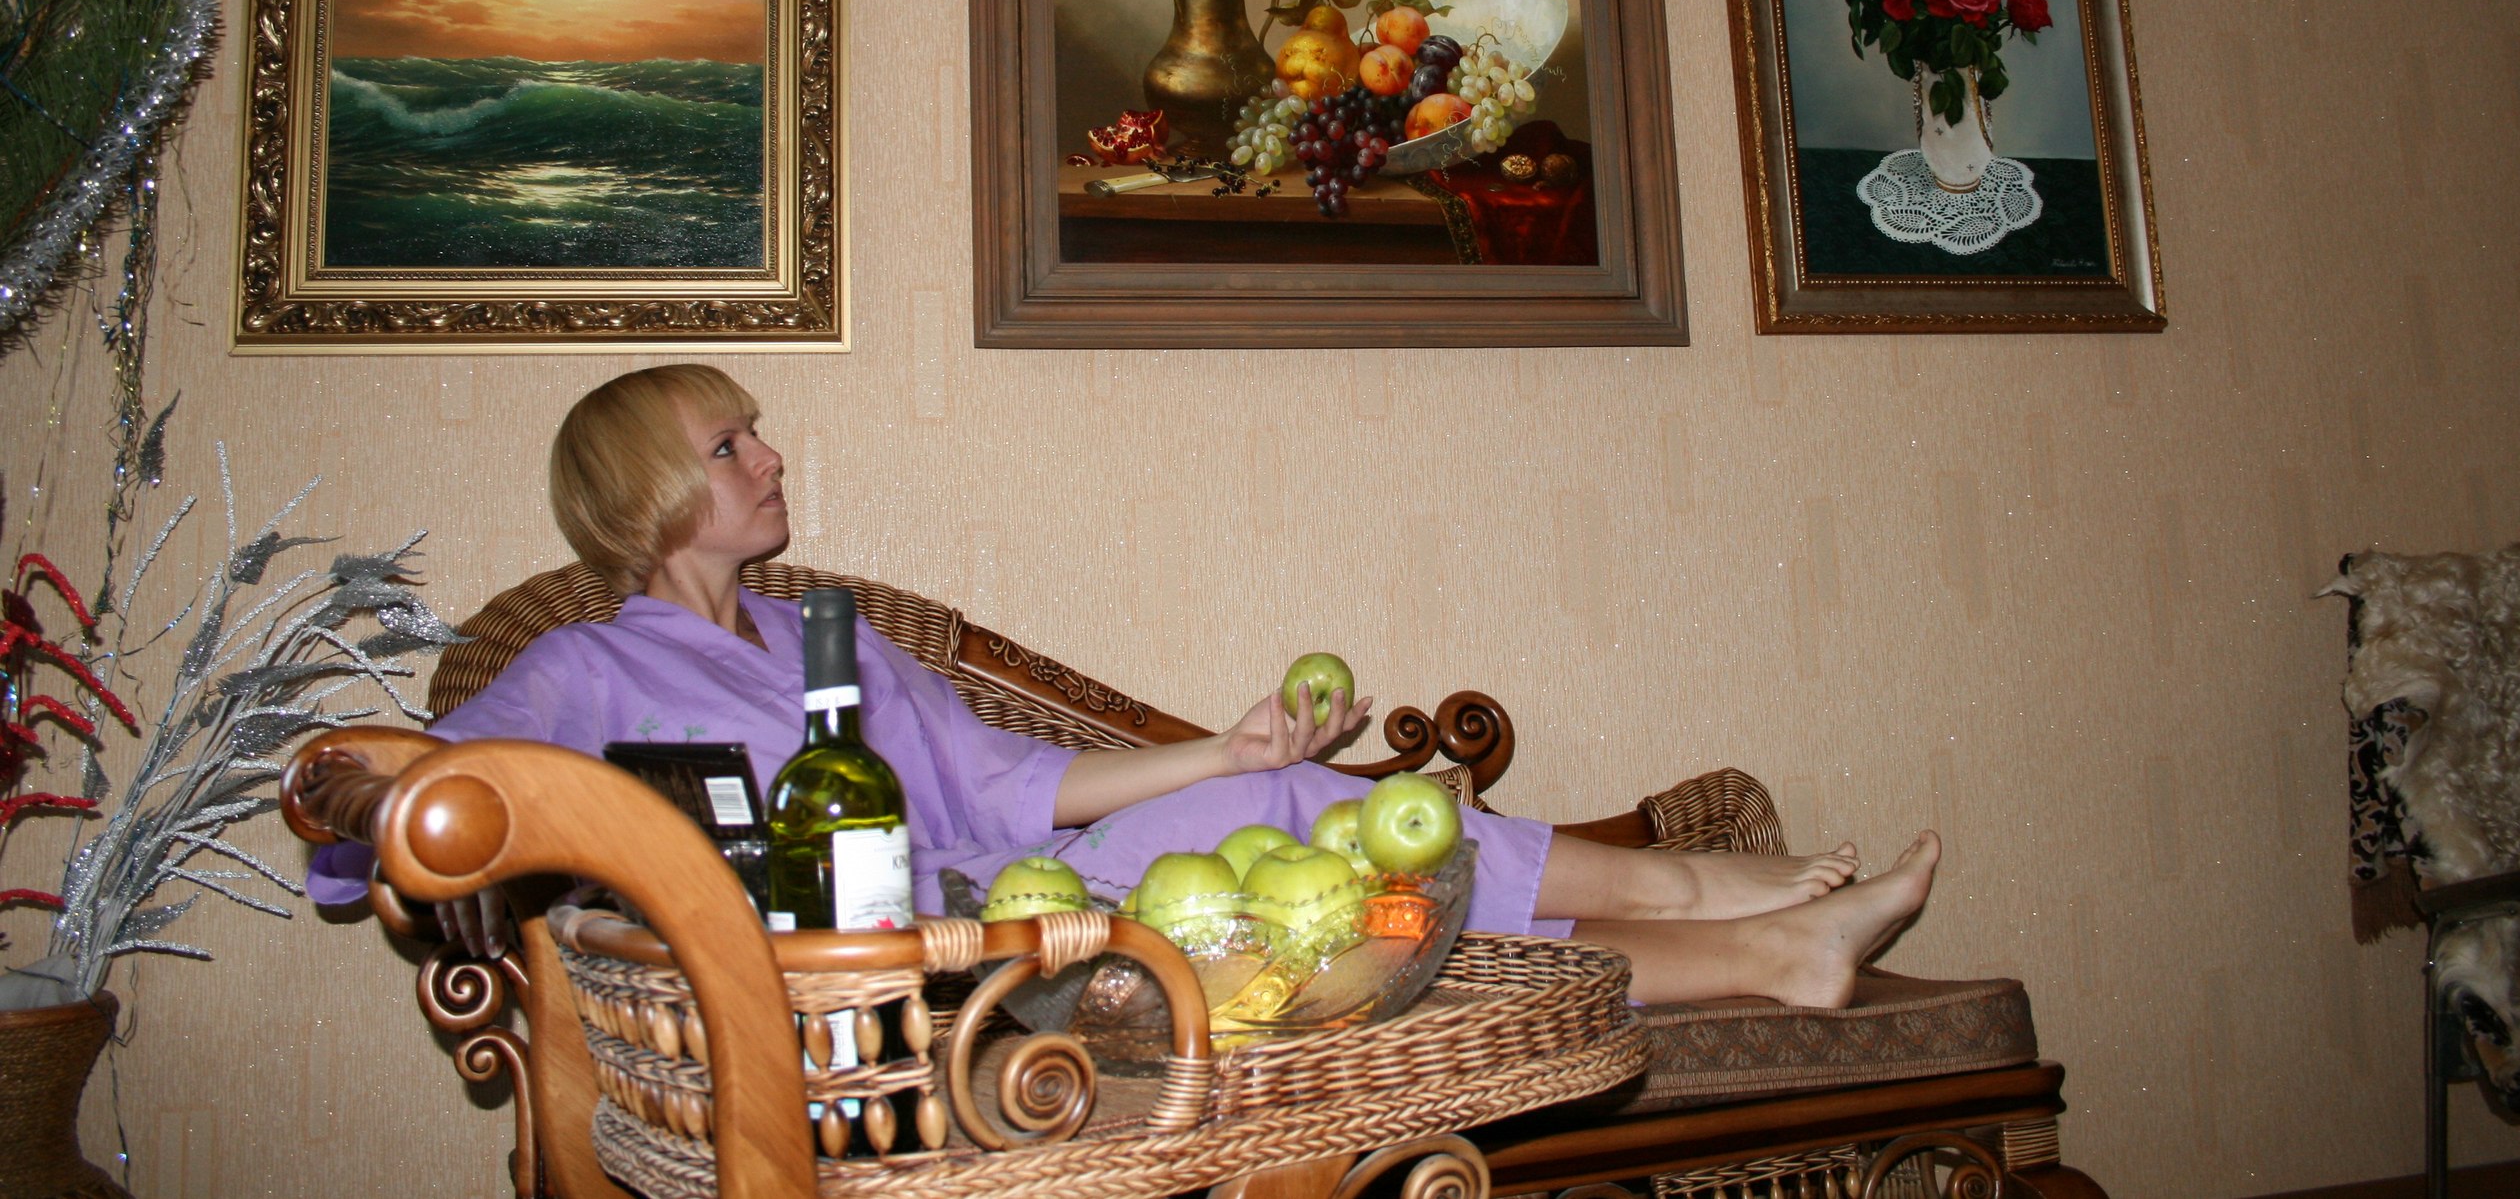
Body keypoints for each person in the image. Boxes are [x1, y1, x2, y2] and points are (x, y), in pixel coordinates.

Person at [351, 365, 1937, 1006]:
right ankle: (1733, 917)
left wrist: (1222, 753)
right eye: (730, 444)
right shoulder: (581, 668)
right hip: (907, 966)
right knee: (1317, 893)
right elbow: (419, 789)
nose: (769, 457)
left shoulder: (830, 635)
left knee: (1299, 827)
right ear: (648, 491)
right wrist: (360, 791)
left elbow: (1015, 784)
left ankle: (1734, 920)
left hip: (1014, 887)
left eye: (757, 432)